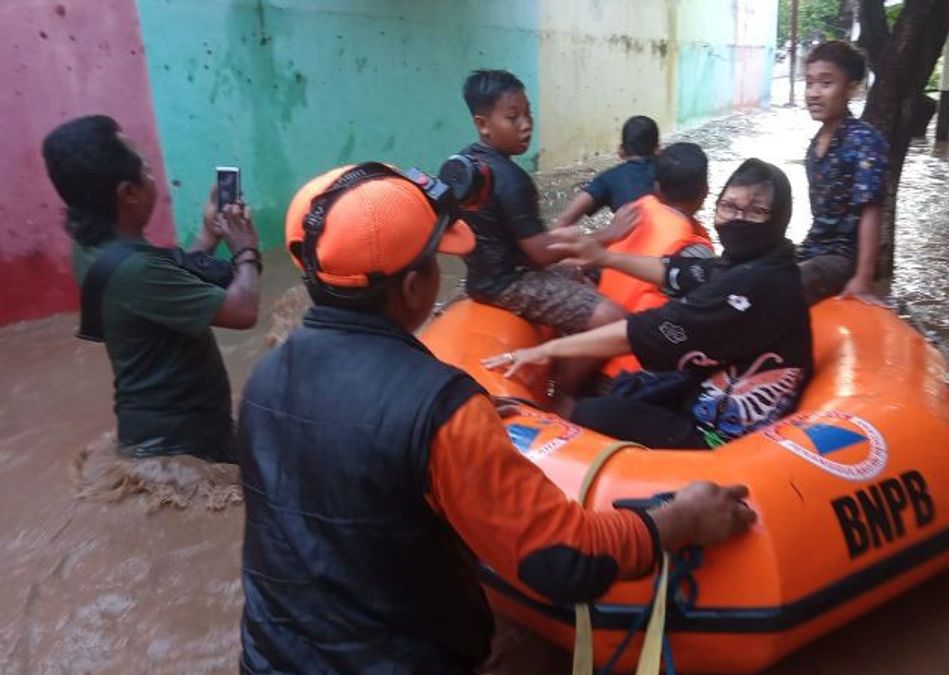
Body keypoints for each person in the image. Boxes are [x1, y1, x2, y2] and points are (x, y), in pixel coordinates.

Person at [237, 161, 757, 674]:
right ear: (417, 286)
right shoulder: (442, 410)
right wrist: (676, 520)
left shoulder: (262, 381)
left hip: (267, 657)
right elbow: (564, 561)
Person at [486, 159, 813, 449]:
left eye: (755, 211)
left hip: (719, 434)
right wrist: (605, 257)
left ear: (779, 217)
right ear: (707, 199)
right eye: (728, 206)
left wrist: (542, 352)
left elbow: (648, 330)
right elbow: (679, 271)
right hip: (698, 390)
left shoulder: (757, 283)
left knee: (586, 412)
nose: (737, 219)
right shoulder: (750, 262)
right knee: (627, 391)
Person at [43, 115, 261, 463]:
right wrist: (246, 249)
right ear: (128, 193)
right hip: (184, 446)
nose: (153, 177)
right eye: (146, 170)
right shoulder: (136, 270)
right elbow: (243, 311)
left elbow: (164, 282)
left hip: (152, 434)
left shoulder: (91, 247)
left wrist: (207, 236)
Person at [457, 69, 625, 336]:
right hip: (509, 283)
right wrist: (608, 234)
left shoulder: (464, 162)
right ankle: (560, 380)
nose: (526, 125)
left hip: (482, 278)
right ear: (482, 124)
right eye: (513, 117)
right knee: (614, 318)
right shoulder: (512, 180)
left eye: (528, 113)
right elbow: (541, 254)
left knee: (585, 272)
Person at [796, 40, 888, 304]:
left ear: (852, 88)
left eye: (826, 83)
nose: (813, 93)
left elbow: (872, 210)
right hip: (814, 249)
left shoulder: (865, 140)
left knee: (782, 283)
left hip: (842, 257)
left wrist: (863, 278)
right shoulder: (816, 144)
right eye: (809, 82)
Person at [596, 141, 714, 316]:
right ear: (705, 191)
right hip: (636, 336)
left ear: (657, 188)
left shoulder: (631, 212)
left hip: (601, 320)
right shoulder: (697, 252)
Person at [551, 115, 660, 230]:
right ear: (658, 149)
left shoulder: (609, 178)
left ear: (621, 151)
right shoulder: (670, 173)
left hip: (624, 244)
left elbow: (564, 220)